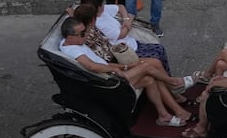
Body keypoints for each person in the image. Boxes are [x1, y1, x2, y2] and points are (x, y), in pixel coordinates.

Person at [58, 17, 194, 126]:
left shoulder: (74, 43)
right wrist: (116, 69)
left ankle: (163, 115)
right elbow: (93, 67)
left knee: (150, 78)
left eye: (85, 31)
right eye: (83, 33)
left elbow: (101, 63)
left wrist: (126, 67)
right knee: (146, 67)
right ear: (70, 37)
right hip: (108, 82)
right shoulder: (73, 49)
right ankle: (174, 83)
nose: (87, 35)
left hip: (110, 75)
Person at [77, 0, 171, 72]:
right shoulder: (97, 23)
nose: (104, 5)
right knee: (157, 59)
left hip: (131, 42)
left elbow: (121, 7)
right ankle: (171, 83)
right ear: (97, 7)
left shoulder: (103, 11)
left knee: (159, 50)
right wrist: (129, 21)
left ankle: (170, 83)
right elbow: (121, 34)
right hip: (125, 51)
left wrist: (126, 19)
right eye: (102, 3)